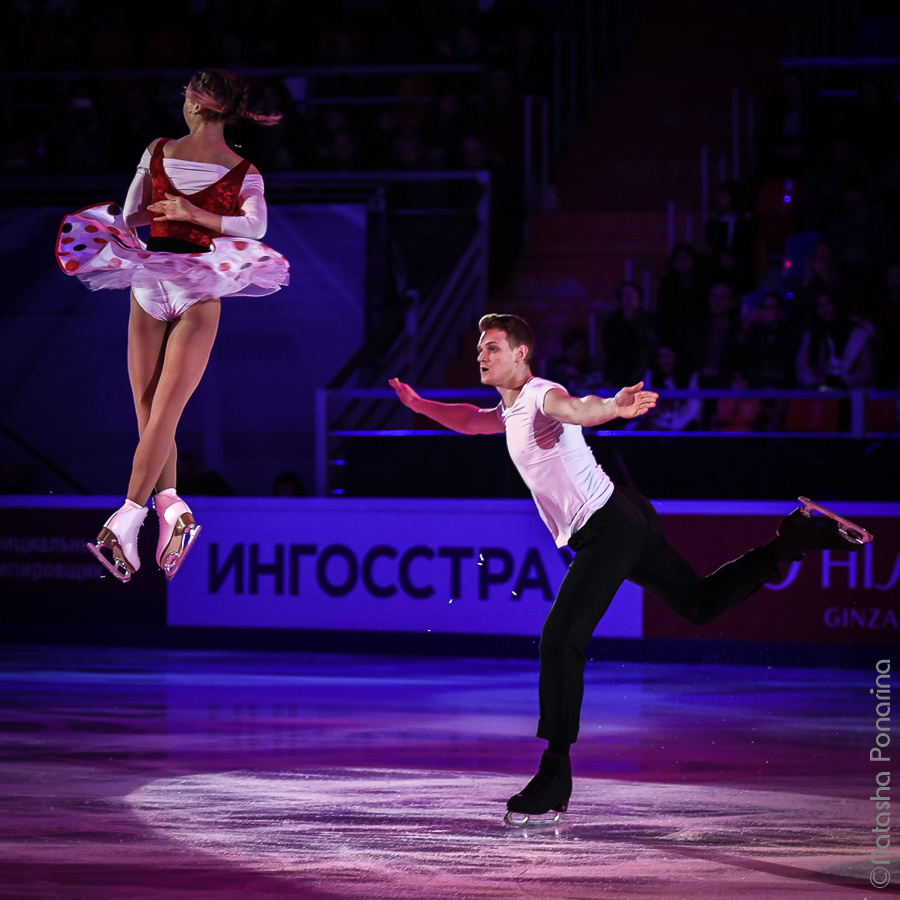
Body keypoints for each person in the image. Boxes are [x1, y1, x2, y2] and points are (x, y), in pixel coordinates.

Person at [389, 313, 871, 822]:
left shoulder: (540, 394)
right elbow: (468, 419)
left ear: (521, 354)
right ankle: (786, 544)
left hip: (609, 527)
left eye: (492, 347)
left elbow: (578, 408)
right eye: (480, 348)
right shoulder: (510, 410)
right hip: (624, 514)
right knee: (699, 605)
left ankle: (554, 773)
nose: (481, 355)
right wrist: (418, 404)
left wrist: (614, 407)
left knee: (559, 638)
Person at [56, 68, 290, 582]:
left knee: (155, 408)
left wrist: (181, 209)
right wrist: (177, 216)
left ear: (198, 104)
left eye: (187, 96)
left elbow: (142, 215)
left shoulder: (173, 151)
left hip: (166, 280)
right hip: (180, 282)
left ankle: (133, 516)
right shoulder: (238, 167)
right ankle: (168, 510)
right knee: (156, 410)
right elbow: (246, 224)